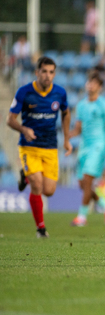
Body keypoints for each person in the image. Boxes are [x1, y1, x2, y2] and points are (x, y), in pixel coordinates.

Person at [6, 56, 72, 238]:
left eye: (51, 72)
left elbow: (66, 113)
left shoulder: (60, 93)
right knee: (37, 185)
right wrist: (23, 129)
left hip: (50, 147)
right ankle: (41, 229)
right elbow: (9, 120)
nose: (47, 76)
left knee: (49, 191)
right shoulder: (24, 92)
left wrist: (66, 139)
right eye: (44, 72)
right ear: (37, 73)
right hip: (29, 146)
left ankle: (25, 177)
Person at [70, 72, 105, 227]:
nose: (91, 85)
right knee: (83, 185)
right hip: (84, 147)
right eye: (89, 82)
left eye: (94, 83)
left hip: (98, 146)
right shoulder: (81, 105)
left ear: (100, 87)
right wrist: (66, 137)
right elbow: (78, 129)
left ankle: (81, 217)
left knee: (88, 180)